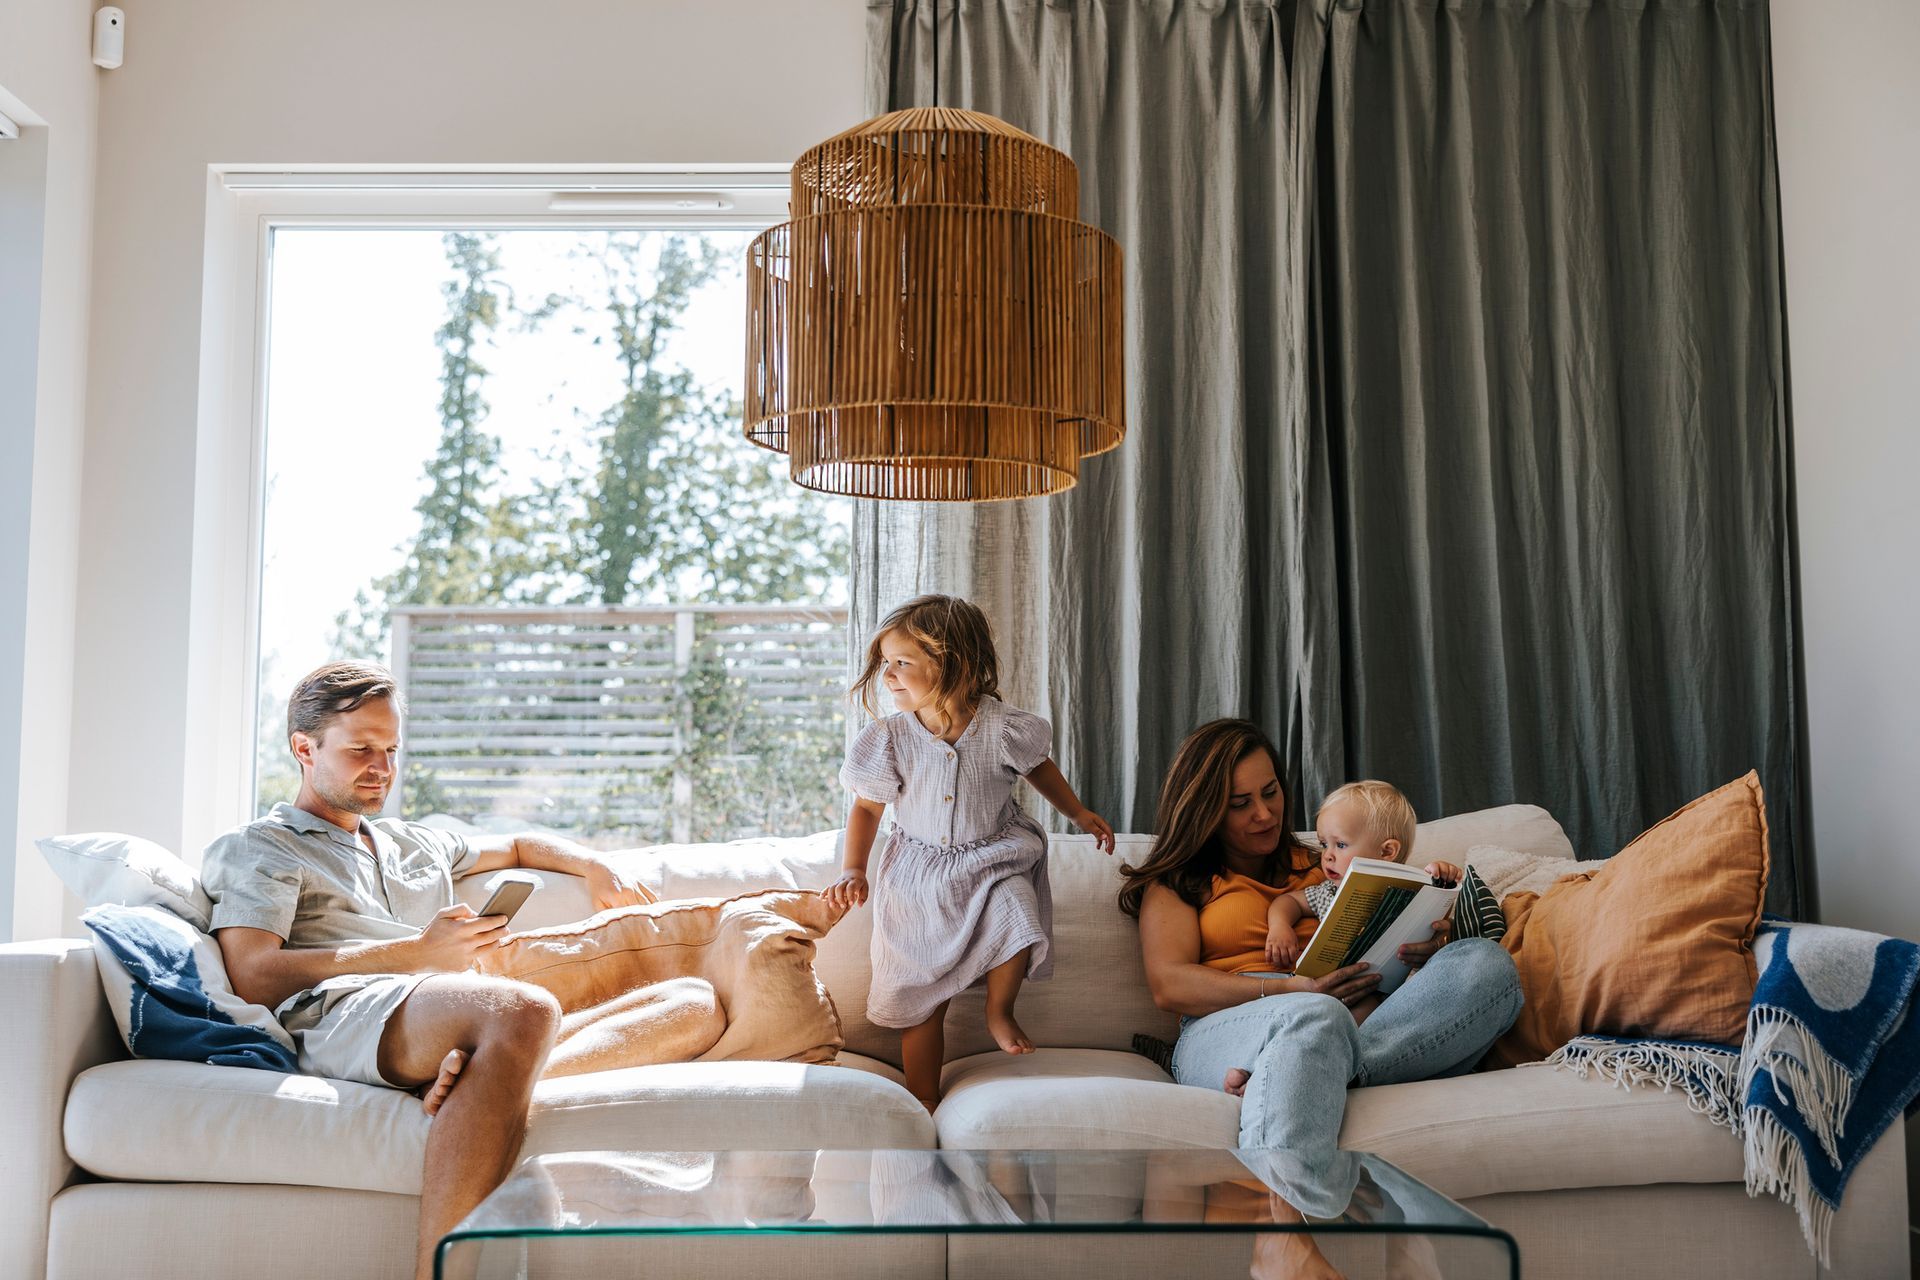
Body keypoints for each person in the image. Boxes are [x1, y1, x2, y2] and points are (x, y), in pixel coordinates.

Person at [203, 661, 725, 1280]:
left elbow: (521, 845)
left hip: (451, 1009)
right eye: (361, 750)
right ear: (304, 748)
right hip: (348, 1013)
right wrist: (416, 954)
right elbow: (252, 973)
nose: (383, 768)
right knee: (524, 1008)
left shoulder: (413, 841)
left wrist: (592, 865)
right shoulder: (264, 845)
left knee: (695, 1002)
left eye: (392, 749)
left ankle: (469, 1079)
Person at [1118, 719, 1521, 1168]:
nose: (1266, 814)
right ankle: (1286, 1215)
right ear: (1206, 810)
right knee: (1318, 1014)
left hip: (1359, 1011)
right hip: (1230, 1026)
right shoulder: (1177, 882)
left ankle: (1301, 1072)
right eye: (1240, 803)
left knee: (1488, 965)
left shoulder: (1330, 862)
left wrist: (1429, 941)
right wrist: (1289, 991)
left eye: (1270, 792)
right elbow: (1170, 986)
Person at [820, 594, 1114, 1107]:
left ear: (952, 662)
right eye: (885, 664)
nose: (888, 676)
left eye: (902, 664)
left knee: (1019, 913)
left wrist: (1079, 812)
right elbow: (867, 810)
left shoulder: (1002, 728)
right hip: (918, 874)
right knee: (920, 1000)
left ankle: (1000, 1009)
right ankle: (924, 1100)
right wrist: (854, 868)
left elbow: (1039, 768)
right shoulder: (889, 738)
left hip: (991, 859)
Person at [1252, 780, 1464, 1028]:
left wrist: (1442, 877)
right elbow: (1288, 901)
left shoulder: (1413, 889)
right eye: (1324, 844)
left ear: (1386, 852)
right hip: (1328, 990)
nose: (1328, 855)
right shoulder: (1330, 891)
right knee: (1307, 1014)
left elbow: (1438, 918)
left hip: (1385, 993)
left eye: (1340, 845)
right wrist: (1280, 927)